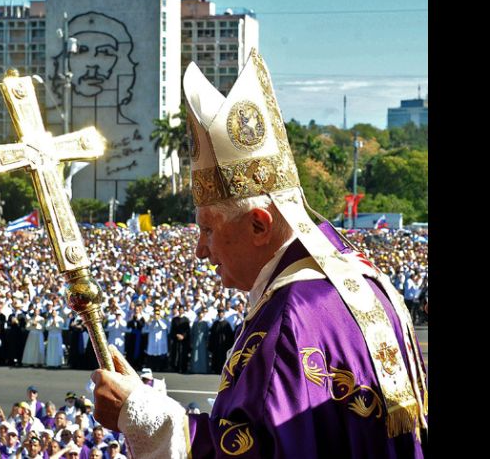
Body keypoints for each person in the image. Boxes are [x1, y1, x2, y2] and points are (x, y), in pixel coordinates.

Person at [90, 51, 427, 458]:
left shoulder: (290, 318)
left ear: (259, 225)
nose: (200, 250)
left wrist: (139, 414)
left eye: (208, 229)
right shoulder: (365, 279)